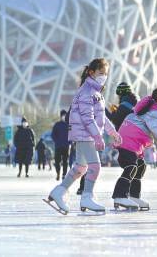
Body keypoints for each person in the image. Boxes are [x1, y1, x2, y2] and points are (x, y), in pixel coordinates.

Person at [46, 58, 121, 214]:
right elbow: (88, 118)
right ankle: (87, 196)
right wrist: (98, 137)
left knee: (81, 167)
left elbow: (101, 117)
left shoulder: (95, 92)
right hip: (85, 134)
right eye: (101, 73)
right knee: (95, 166)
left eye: (105, 74)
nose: (104, 76)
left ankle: (59, 192)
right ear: (91, 72)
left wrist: (112, 131)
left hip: (86, 134)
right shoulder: (87, 92)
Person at [111, 88, 157, 210]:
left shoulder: (147, 107)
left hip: (129, 142)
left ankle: (133, 196)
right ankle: (119, 195)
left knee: (140, 165)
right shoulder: (154, 112)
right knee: (131, 166)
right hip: (128, 143)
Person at [51, 110, 70, 181]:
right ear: (61, 116)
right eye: (63, 115)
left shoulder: (69, 125)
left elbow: (72, 134)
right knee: (57, 161)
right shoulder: (57, 125)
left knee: (65, 161)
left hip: (66, 146)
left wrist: (70, 143)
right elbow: (53, 135)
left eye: (65, 115)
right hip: (58, 146)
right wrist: (56, 141)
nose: (64, 117)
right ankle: (58, 173)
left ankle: (64, 174)